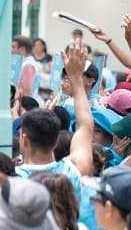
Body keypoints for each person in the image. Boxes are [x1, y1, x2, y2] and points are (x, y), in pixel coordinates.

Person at [17, 43, 96, 207]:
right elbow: (85, 127)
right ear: (55, 142)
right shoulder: (72, 172)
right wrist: (76, 79)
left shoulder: (11, 181)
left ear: (24, 140)